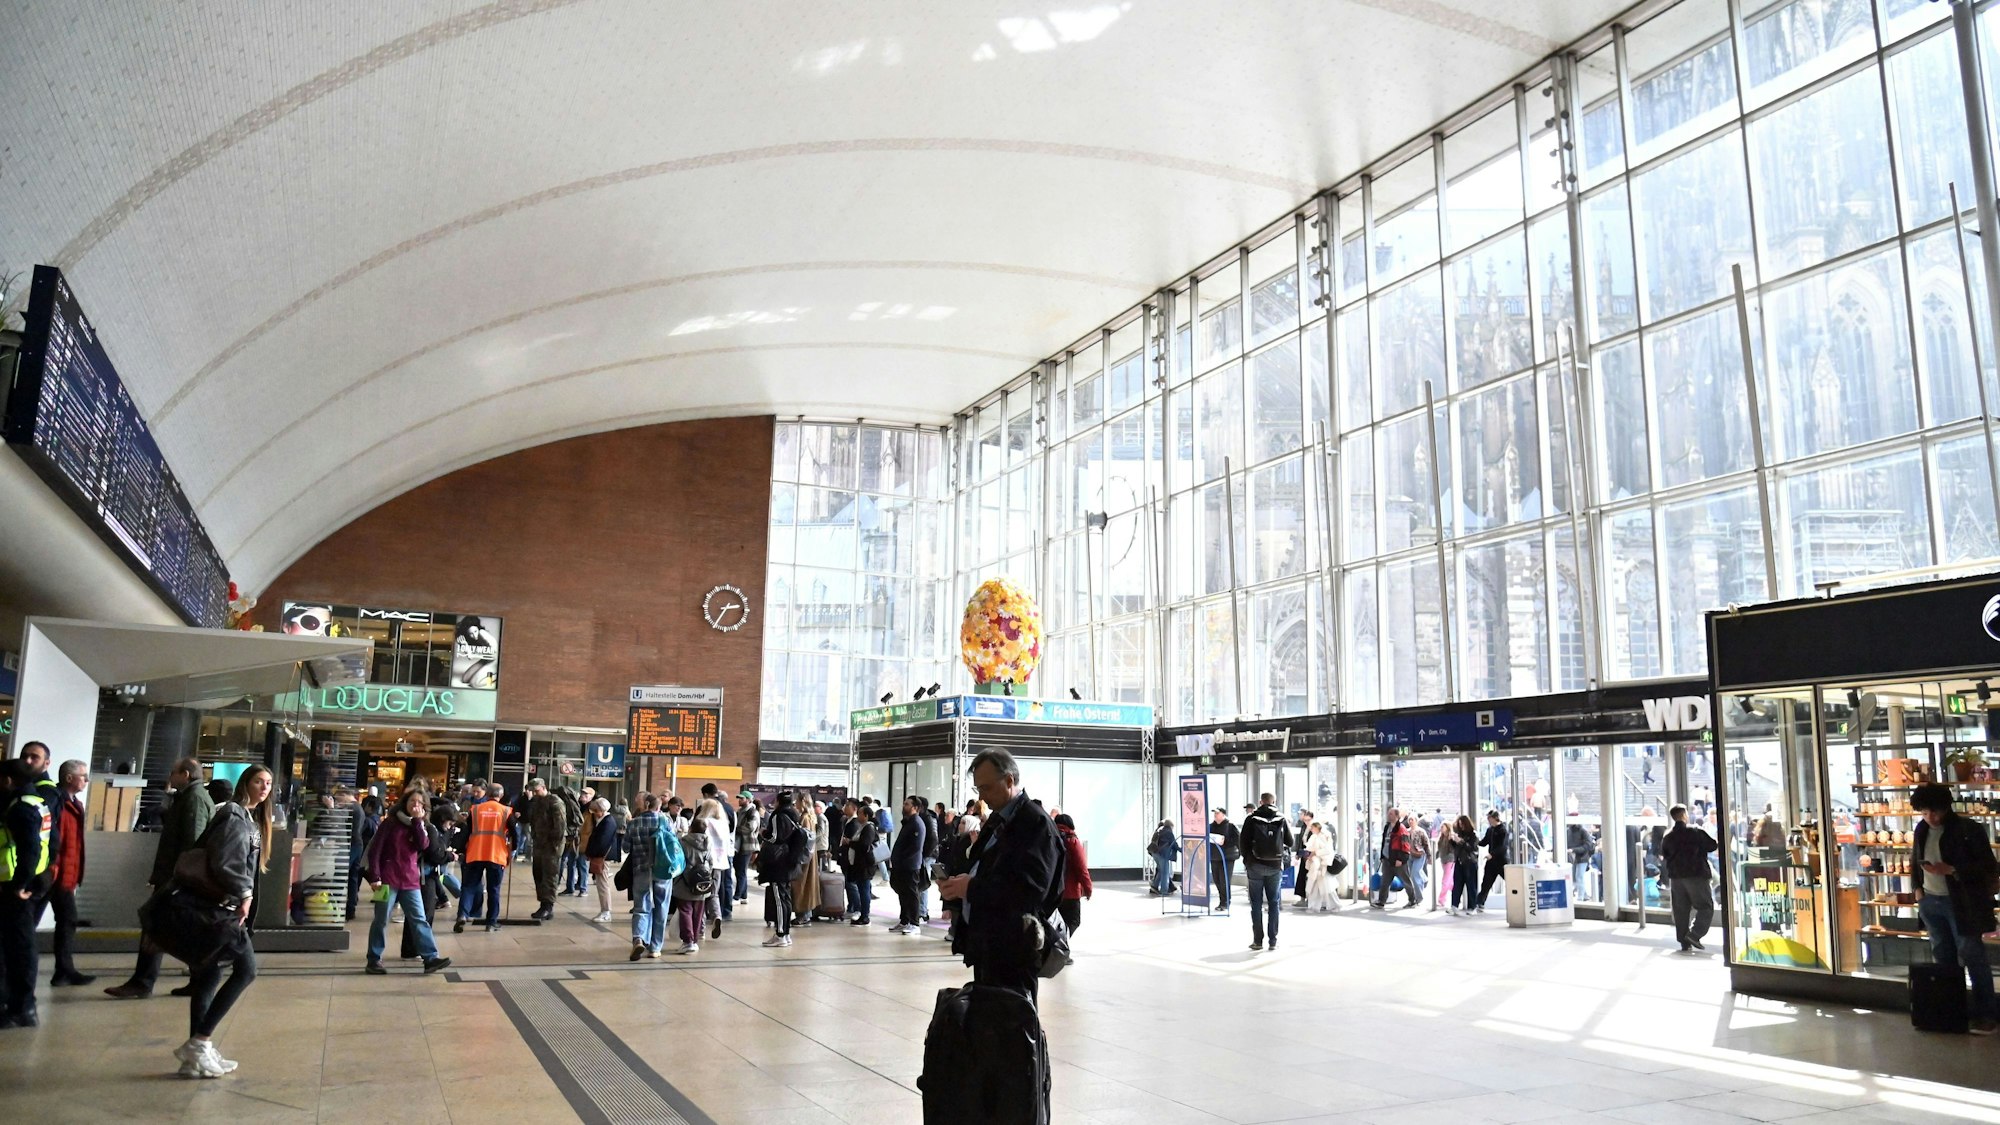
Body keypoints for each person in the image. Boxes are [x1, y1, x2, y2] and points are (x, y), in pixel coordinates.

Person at [171, 764, 273, 1078]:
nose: (264, 787)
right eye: (259, 781)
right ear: (246, 783)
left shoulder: (251, 819)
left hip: (221, 907)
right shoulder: (234, 815)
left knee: (208, 974)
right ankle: (199, 1042)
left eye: (269, 783)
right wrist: (244, 894)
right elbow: (225, 861)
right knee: (246, 970)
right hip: (222, 908)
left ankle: (196, 1051)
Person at [938, 750, 1061, 1006]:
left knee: (1011, 1026)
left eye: (986, 787)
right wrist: (962, 882)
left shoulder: (1034, 823)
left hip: (1013, 947)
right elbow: (985, 867)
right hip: (988, 943)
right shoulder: (998, 820)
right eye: (977, 789)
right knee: (989, 1026)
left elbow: (1031, 890)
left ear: (1009, 781)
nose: (981, 796)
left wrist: (971, 887)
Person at [106, 758, 214, 1001]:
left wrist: (180, 878)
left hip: (177, 879)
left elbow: (191, 842)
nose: (169, 777)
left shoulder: (194, 799)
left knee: (154, 923)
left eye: (173, 772)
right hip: (176, 877)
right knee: (179, 928)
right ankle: (197, 979)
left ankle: (143, 981)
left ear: (185, 774)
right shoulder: (188, 797)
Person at [1910, 783, 1999, 1034]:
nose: (1931, 818)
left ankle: (1986, 1015)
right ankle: (1950, 1011)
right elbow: (1914, 858)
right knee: (1943, 960)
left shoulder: (1967, 829)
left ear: (1946, 808)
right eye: (1925, 813)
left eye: (1935, 812)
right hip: (1931, 900)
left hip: (1961, 903)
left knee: (1972, 955)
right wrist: (1918, 889)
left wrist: (1952, 870)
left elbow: (1988, 866)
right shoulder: (1921, 829)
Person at [361, 789, 450, 976]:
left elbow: (423, 846)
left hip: (410, 880)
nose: (415, 805)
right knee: (380, 920)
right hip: (387, 879)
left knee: (419, 919)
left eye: (419, 802)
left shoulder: (421, 825)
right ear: (405, 803)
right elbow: (375, 850)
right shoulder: (390, 823)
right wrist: (375, 876)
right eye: (412, 801)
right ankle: (374, 959)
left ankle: (430, 957)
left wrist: (417, 822)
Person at [0, 760, 52, 1027]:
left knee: (18, 948)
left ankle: (20, 1007)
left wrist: (20, 885)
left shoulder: (20, 808)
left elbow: (29, 850)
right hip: (25, 882)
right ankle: (19, 1006)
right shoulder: (34, 801)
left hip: (13, 886)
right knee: (18, 946)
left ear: (8, 780)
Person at [46, 759, 92, 987]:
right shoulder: (57, 803)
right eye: (83, 775)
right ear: (68, 778)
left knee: (67, 920)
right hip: (55, 873)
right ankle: (64, 971)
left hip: (65, 874)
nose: (86, 780)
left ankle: (64, 970)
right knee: (66, 920)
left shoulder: (75, 804)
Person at [1659, 803, 1718, 954]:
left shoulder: (1668, 836)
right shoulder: (1696, 832)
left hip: (1676, 878)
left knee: (1681, 910)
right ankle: (1695, 934)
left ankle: (1684, 942)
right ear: (1685, 815)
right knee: (1705, 906)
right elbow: (1712, 845)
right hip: (1696, 875)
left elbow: (1664, 855)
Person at [456, 782, 513, 932]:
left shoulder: (475, 810)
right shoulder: (506, 811)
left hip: (475, 853)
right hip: (496, 855)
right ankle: (491, 922)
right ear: (500, 795)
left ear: (487, 794)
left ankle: (462, 915)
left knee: (468, 887)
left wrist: (461, 850)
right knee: (494, 889)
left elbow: (466, 832)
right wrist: (512, 851)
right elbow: (515, 834)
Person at [1240, 793, 1293, 952]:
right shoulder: (1281, 818)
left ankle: (1257, 941)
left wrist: (1248, 860)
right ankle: (1273, 941)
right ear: (1274, 802)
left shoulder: (1251, 818)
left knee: (1255, 903)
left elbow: (1243, 842)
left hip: (1255, 865)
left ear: (1260, 802)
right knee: (1273, 903)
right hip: (1275, 866)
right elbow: (1290, 842)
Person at [757, 792, 810, 948]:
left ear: (778, 801)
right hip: (790, 863)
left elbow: (775, 838)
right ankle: (785, 934)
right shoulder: (794, 815)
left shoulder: (778, 815)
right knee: (785, 899)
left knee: (779, 900)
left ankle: (780, 934)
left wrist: (763, 833)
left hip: (778, 863)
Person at [673, 813, 717, 955]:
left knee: (685, 910)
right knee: (698, 912)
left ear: (691, 828)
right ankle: (695, 940)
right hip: (702, 883)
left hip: (685, 881)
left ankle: (688, 941)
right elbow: (711, 862)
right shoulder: (709, 843)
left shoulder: (682, 841)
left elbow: (678, 861)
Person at [524, 779, 565, 920]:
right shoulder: (536, 803)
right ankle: (543, 904)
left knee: (549, 875)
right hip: (539, 844)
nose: (535, 793)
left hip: (551, 846)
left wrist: (554, 844)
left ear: (544, 787)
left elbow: (560, 826)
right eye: (533, 791)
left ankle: (548, 906)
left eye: (537, 791)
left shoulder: (555, 802)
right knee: (539, 874)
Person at [890, 795, 929, 935]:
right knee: (903, 893)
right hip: (901, 865)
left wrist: (902, 860)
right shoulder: (908, 822)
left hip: (910, 865)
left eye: (907, 804)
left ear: (915, 808)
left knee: (912, 894)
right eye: (904, 803)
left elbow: (915, 847)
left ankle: (914, 922)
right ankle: (904, 920)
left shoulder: (917, 823)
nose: (903, 806)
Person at [839, 798, 878, 926]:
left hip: (865, 866)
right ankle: (862, 913)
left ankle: (865, 915)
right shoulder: (862, 827)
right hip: (859, 865)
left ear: (866, 816)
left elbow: (864, 845)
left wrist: (850, 842)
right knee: (861, 888)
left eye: (860, 813)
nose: (858, 816)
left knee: (864, 890)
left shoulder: (869, 828)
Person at [1052, 813, 1092, 936]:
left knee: (1055, 923)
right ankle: (1061, 946)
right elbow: (1082, 869)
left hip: (1053, 892)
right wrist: (1088, 889)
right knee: (1073, 921)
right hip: (1070, 893)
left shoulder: (1050, 838)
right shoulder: (1072, 841)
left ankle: (1057, 946)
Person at [1370, 806, 1415, 909]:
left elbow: (1406, 845)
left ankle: (1412, 900)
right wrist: (1382, 856)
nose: (1388, 815)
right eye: (1388, 813)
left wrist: (1401, 859)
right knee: (1384, 881)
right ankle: (1381, 901)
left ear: (1397, 816)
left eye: (1391, 814)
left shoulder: (1401, 829)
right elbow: (1384, 843)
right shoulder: (1387, 827)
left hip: (1398, 861)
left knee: (1406, 881)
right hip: (1387, 860)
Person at [584, 797, 620, 923]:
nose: (594, 813)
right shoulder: (603, 820)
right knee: (601, 884)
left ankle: (606, 911)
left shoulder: (607, 822)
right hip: (600, 856)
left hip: (603, 857)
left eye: (596, 810)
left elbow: (602, 842)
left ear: (601, 810)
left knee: (603, 884)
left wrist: (592, 853)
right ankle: (604, 910)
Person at [791, 796, 823, 927]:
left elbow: (803, 838)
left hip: (804, 856)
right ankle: (805, 914)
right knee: (807, 884)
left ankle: (803, 915)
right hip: (810, 855)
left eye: (797, 801)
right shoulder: (811, 816)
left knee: (801, 885)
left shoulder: (804, 818)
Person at [1473, 811, 1509, 913]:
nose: (1488, 820)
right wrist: (1476, 841)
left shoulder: (1503, 830)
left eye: (1490, 818)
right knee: (1486, 883)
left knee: (1510, 881)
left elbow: (1503, 847)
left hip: (1502, 861)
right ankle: (1480, 903)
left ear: (1495, 818)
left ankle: (1517, 899)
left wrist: (1492, 854)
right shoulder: (1490, 830)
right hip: (1491, 862)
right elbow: (1484, 842)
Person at [1445, 815, 1480, 916]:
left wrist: (1460, 841)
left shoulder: (1473, 835)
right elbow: (1456, 847)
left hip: (1470, 862)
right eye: (1459, 825)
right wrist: (1453, 840)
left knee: (1471, 885)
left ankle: (1472, 907)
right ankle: (1454, 906)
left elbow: (1471, 848)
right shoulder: (1460, 833)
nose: (1461, 826)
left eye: (1462, 824)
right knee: (1457, 885)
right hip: (1459, 861)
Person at [1303, 819, 1339, 912]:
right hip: (1316, 865)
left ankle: (1333, 905)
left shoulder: (1324, 836)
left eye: (1312, 827)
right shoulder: (1314, 836)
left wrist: (1315, 853)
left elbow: (1328, 850)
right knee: (1317, 887)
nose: (1311, 829)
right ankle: (1314, 907)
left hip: (1322, 865)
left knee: (1327, 887)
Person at [1208, 807, 1239, 911]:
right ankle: (1222, 901)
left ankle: (1225, 902)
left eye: (1217, 813)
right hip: (1214, 857)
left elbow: (1237, 840)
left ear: (1223, 814)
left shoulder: (1230, 826)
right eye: (1214, 813)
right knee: (1216, 880)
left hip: (1227, 857)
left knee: (1224, 880)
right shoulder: (1210, 826)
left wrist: (1225, 842)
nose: (1215, 815)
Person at [733, 793, 760, 906]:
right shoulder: (739, 812)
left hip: (748, 845)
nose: (739, 800)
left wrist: (736, 829)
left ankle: (737, 896)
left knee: (741, 871)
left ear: (748, 800)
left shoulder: (753, 812)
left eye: (741, 798)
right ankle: (744, 895)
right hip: (739, 845)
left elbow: (750, 828)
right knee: (738, 869)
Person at [1402, 813, 1431, 910]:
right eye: (1409, 820)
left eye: (1412, 820)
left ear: (1416, 821)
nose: (1410, 821)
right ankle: (1424, 878)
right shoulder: (1407, 831)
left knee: (1414, 875)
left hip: (1419, 855)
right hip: (1409, 855)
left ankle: (1419, 897)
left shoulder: (1420, 831)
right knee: (1413, 874)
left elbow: (1426, 843)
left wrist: (1429, 856)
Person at [1148, 819, 1179, 895]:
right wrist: (1182, 850)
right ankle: (1164, 891)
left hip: (1154, 853)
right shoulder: (1169, 832)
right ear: (1171, 826)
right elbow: (1174, 844)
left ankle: (1154, 887)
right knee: (1165, 873)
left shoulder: (1159, 830)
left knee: (1160, 870)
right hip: (1162, 854)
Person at [1292, 810, 1315, 907]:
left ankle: (1310, 898)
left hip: (1312, 855)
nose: (1306, 822)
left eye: (1308, 820)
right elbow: (1301, 841)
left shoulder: (1314, 828)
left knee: (1310, 877)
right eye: (1305, 820)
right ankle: (1302, 897)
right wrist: (1298, 853)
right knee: (1302, 875)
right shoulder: (1303, 827)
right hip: (1304, 854)